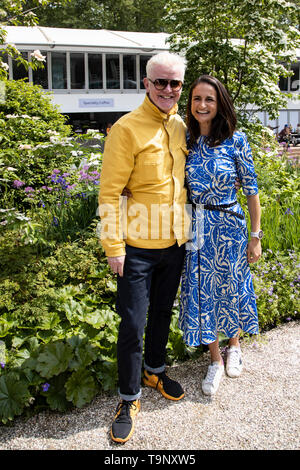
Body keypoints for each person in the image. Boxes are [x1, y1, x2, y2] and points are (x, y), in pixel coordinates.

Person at [98, 52, 189, 443]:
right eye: (161, 82)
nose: (168, 90)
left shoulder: (184, 126)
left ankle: (154, 370)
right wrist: (113, 247)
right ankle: (129, 396)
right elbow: (109, 191)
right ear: (146, 83)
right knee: (132, 324)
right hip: (135, 246)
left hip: (175, 243)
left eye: (175, 83)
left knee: (161, 315)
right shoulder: (126, 128)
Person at [179, 75, 262, 397]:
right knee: (203, 292)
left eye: (209, 99)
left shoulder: (236, 140)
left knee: (232, 287)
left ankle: (234, 346)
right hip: (195, 227)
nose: (202, 105)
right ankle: (214, 359)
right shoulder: (184, 139)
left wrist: (255, 236)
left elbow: (252, 191)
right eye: (197, 98)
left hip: (228, 226)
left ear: (220, 103)